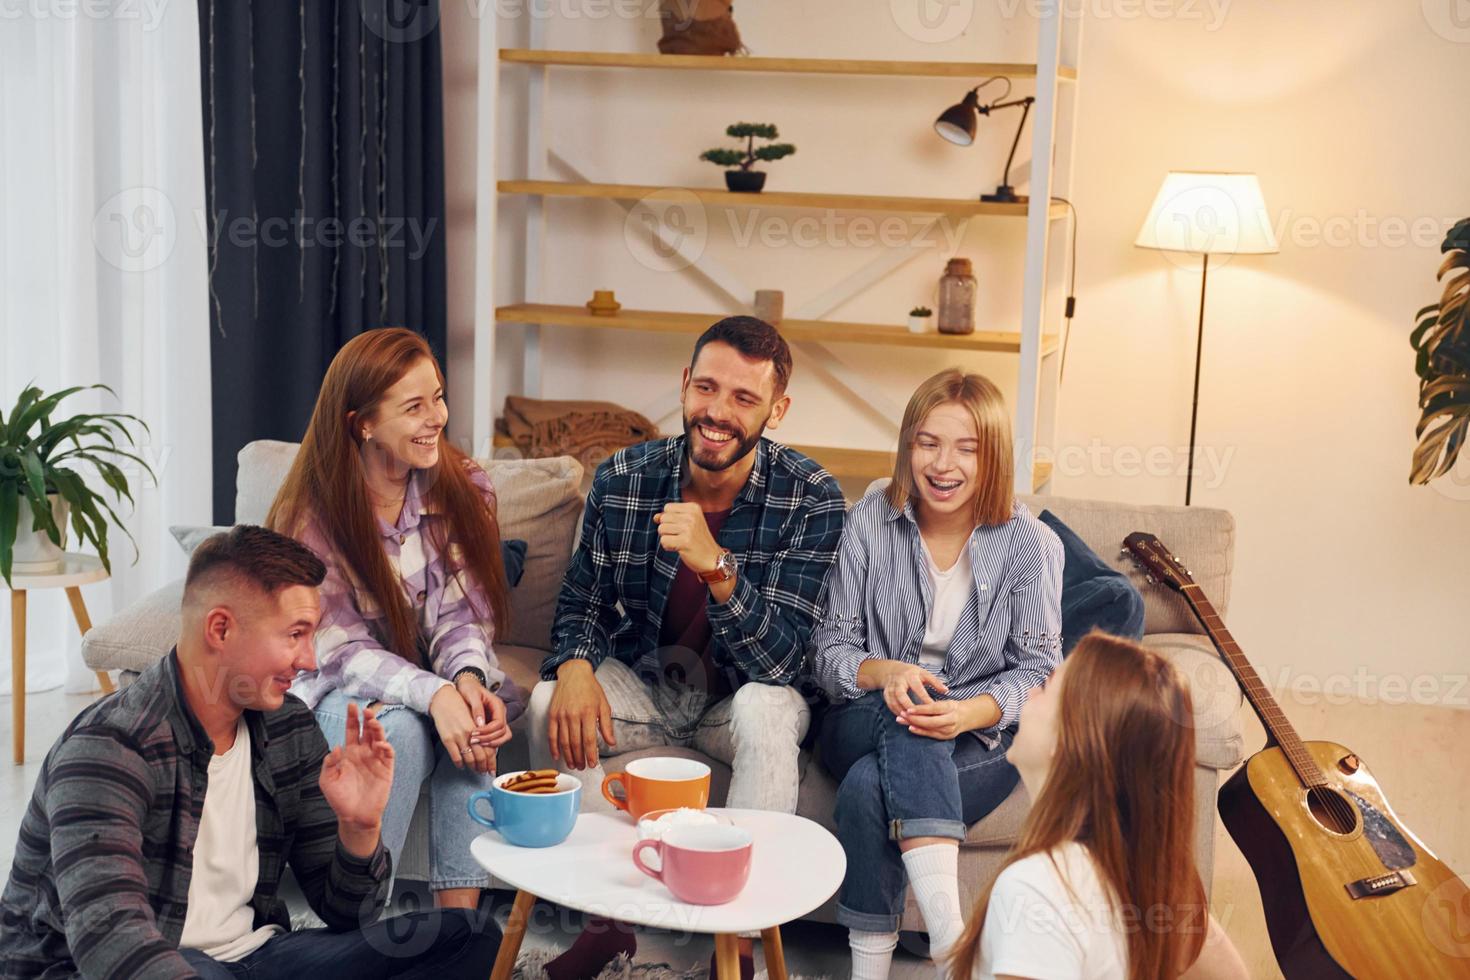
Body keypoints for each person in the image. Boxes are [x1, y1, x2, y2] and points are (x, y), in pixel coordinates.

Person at [0, 525, 502, 979]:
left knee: (471, 937)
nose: (309, 661)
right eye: (295, 635)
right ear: (220, 629)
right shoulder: (109, 749)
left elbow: (349, 915)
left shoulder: (286, 726)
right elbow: (113, 949)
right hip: (155, 963)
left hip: (257, 957)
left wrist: (360, 830)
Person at [525, 316, 846, 979]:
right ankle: (604, 929)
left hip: (738, 704)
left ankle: (742, 948)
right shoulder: (624, 476)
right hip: (649, 686)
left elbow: (782, 663)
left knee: (768, 709)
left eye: (743, 398)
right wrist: (577, 663)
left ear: (777, 410)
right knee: (547, 699)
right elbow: (582, 599)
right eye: (706, 388)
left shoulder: (810, 498)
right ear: (684, 383)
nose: (717, 412)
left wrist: (716, 567)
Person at [812, 368, 1063, 980]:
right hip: (859, 717)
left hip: (974, 734)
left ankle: (870, 972)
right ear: (908, 447)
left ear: (993, 456)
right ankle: (955, 943)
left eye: (967, 448)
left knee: (870, 787)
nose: (943, 464)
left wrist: (969, 712)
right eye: (928, 442)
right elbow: (828, 648)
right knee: (906, 709)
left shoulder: (1032, 545)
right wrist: (886, 672)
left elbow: (1038, 670)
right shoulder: (872, 516)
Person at [269, 327, 517, 912]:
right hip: (333, 689)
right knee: (400, 731)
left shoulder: (466, 488)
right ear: (363, 424)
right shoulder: (309, 514)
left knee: (473, 726)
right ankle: (358, 932)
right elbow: (340, 652)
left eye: (438, 396)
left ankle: (461, 946)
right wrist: (435, 696)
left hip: (424, 683)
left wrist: (468, 684)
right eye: (414, 407)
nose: (438, 417)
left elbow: (464, 613)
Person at [949, 631, 1250, 980]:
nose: (1029, 693)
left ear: (1069, 740)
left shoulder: (1039, 889)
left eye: (1047, 687)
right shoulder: (1157, 881)